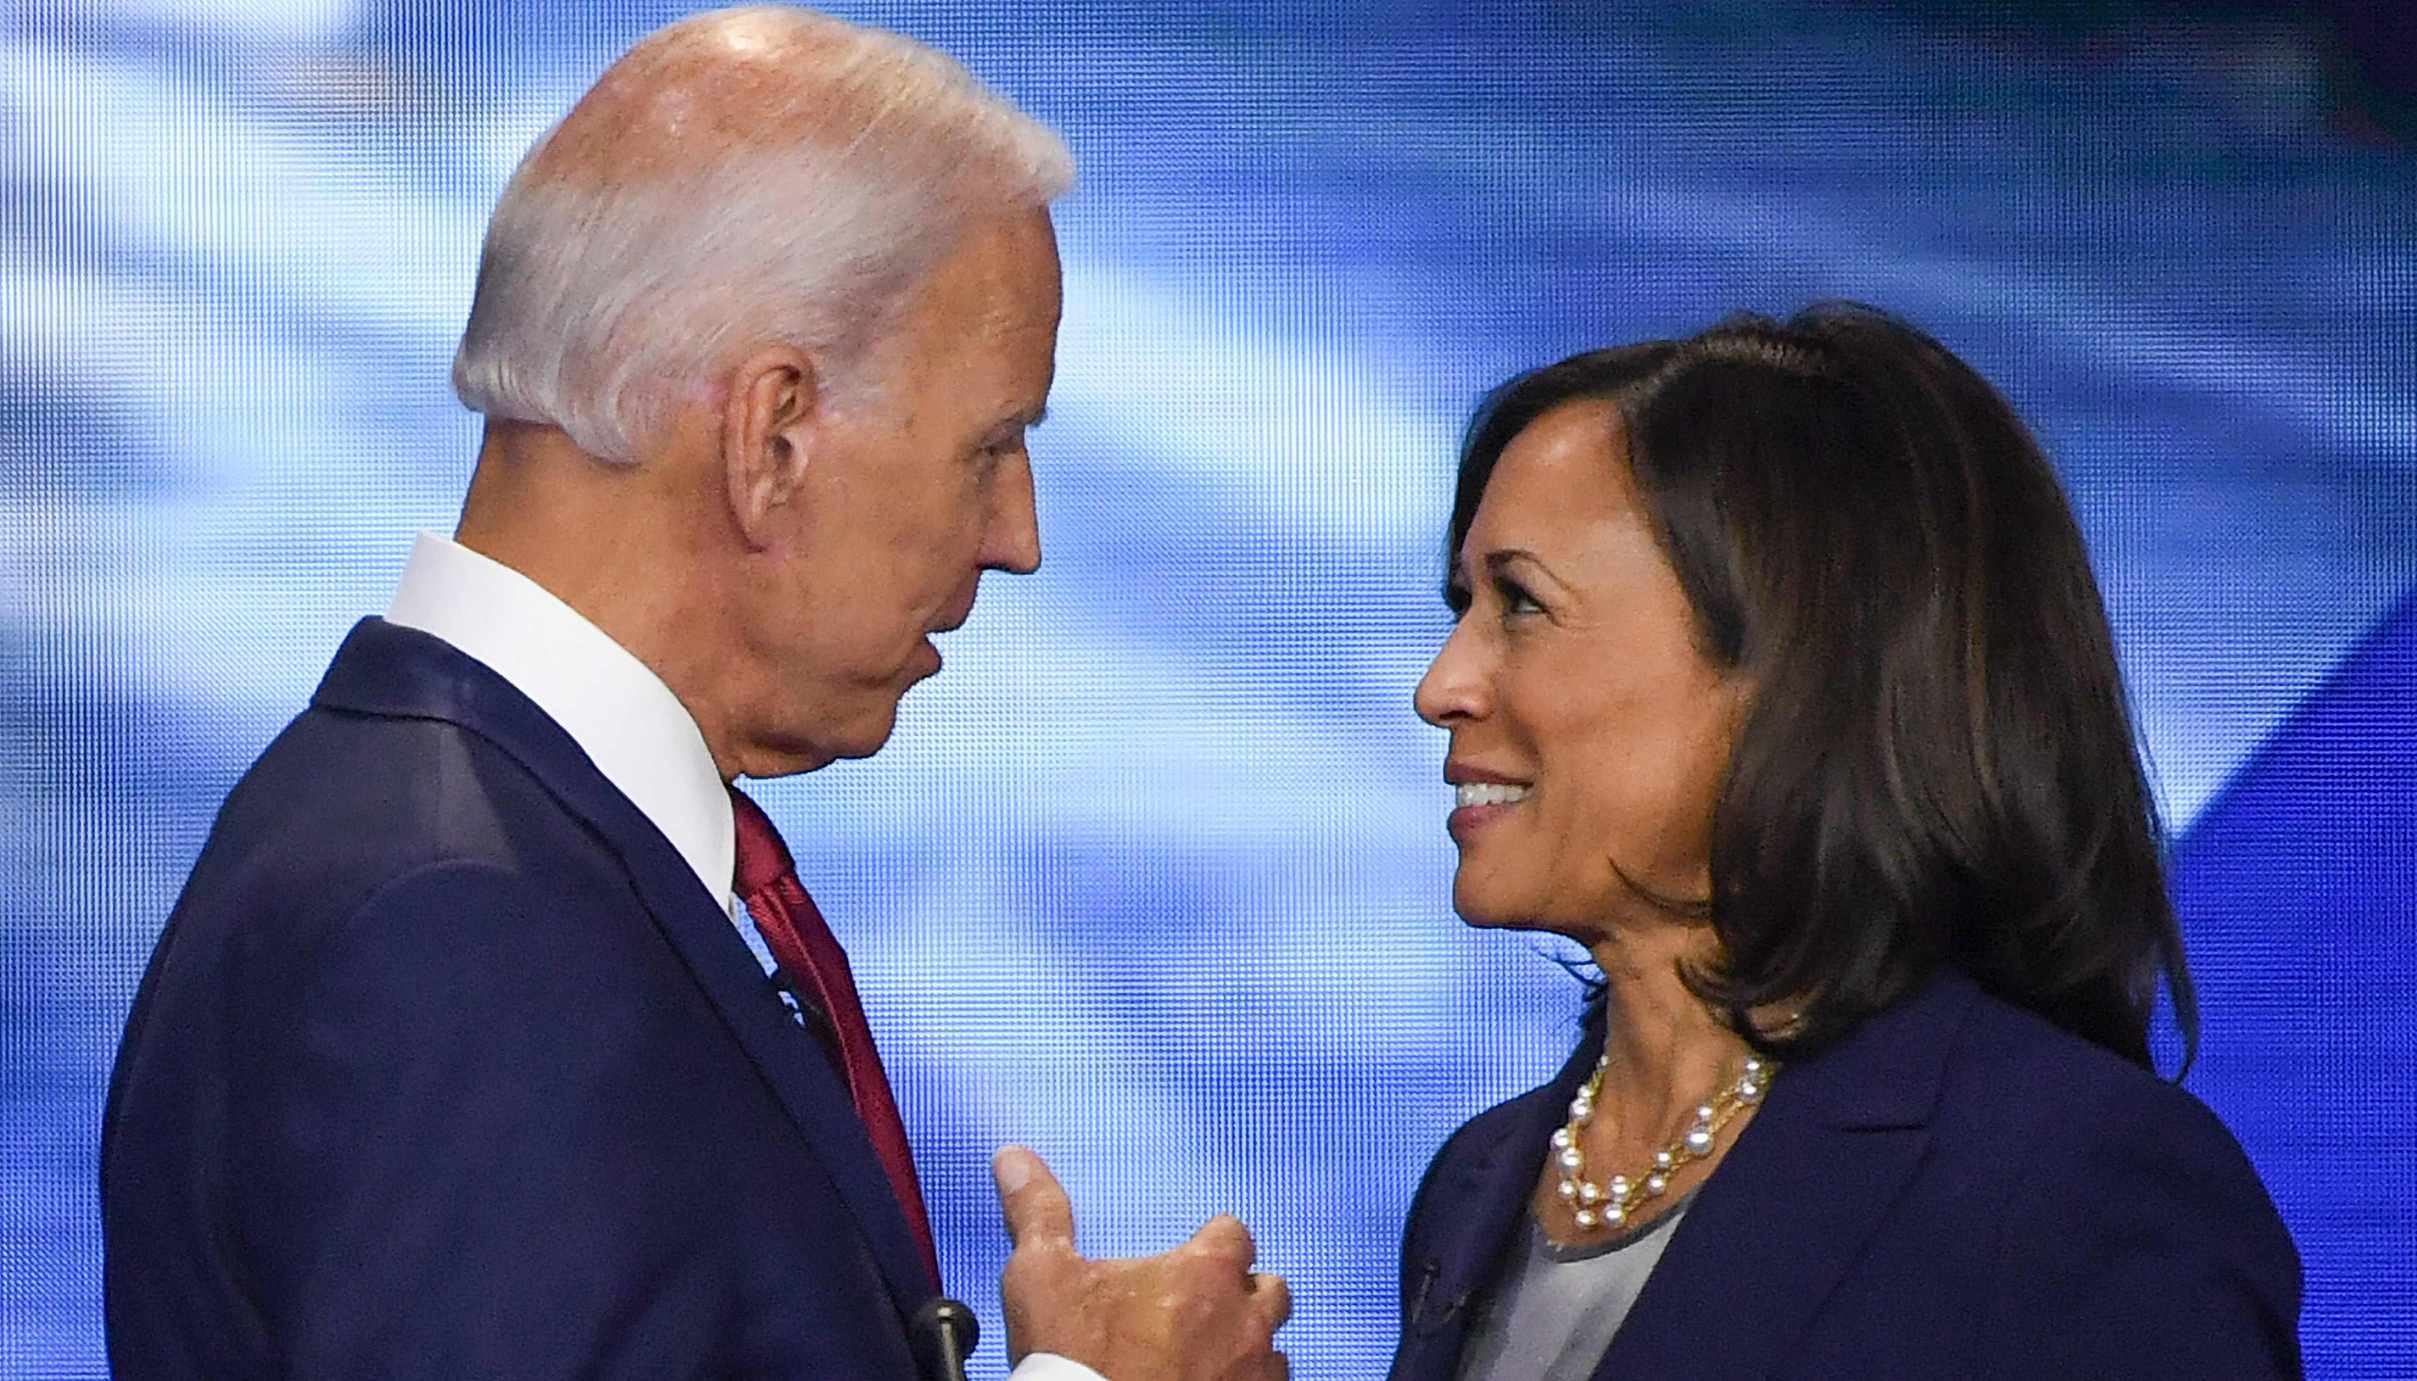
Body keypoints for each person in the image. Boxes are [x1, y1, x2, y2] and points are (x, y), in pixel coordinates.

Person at [99, 8, 1289, 1379]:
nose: (1016, 536)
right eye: (991, 445)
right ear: (770, 435)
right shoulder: (468, 920)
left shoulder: (453, 837)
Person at [1389, 305, 2302, 1380]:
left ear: (1792, 661)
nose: (1441, 686)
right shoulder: (1480, 1182)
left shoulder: (2065, 1185)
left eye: (1521, 603)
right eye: (1462, 604)